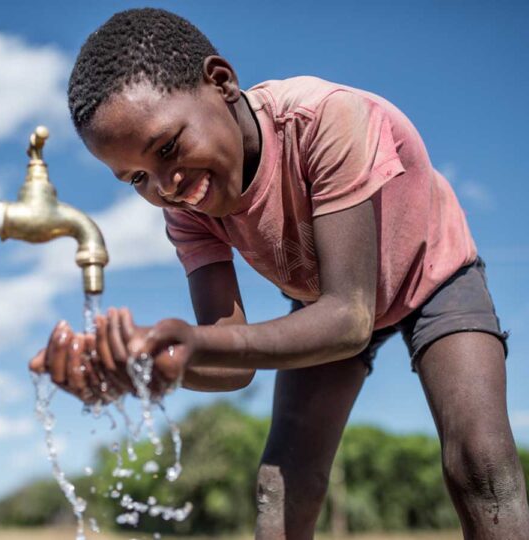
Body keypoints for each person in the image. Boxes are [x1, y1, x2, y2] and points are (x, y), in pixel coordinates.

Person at [28, 7, 529, 539]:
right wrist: (144, 367)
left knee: (480, 462)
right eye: (137, 178)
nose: (166, 186)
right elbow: (231, 363)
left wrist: (193, 344)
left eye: (168, 148)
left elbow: (350, 319)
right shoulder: (189, 209)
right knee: (281, 485)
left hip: (431, 275)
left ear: (221, 82)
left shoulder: (324, 120)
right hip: (323, 304)